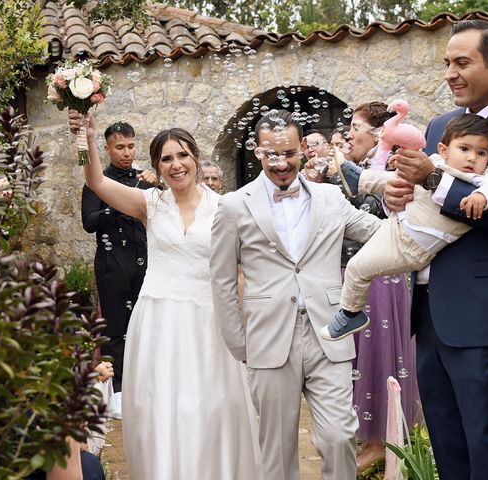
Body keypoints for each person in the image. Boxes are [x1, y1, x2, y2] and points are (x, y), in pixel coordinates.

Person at [69, 110, 261, 479]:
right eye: (166, 158)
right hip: (160, 322)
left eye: (183, 155)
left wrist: (246, 328)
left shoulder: (226, 207)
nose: (176, 165)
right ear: (157, 166)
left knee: (213, 405)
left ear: (196, 158)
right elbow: (95, 181)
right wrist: (88, 137)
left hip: (210, 322)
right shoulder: (150, 204)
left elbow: (239, 273)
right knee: (165, 408)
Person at [385, 19, 488, 479]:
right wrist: (396, 194)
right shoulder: (439, 125)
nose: (450, 72)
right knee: (448, 448)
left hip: (486, 318)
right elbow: (426, 203)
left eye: (462, 62)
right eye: (447, 63)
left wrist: (430, 176)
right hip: (430, 313)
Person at [209, 110, 382, 480]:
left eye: (289, 152)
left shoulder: (331, 198)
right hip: (267, 338)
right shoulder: (234, 205)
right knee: (276, 450)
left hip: (329, 332)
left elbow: (378, 233)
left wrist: (429, 221)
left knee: (339, 435)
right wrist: (239, 343)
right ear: (257, 152)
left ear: (301, 150)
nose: (282, 162)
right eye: (272, 154)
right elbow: (221, 280)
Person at [322, 113, 488, 340]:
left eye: (480, 153)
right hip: (399, 222)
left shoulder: (481, 179)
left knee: (357, 267)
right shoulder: (435, 162)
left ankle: (351, 313)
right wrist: (400, 164)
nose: (472, 158)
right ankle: (359, 180)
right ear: (444, 150)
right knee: (394, 180)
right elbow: (406, 179)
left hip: (411, 245)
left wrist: (482, 196)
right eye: (464, 149)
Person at [307, 102, 419, 472]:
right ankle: (364, 435)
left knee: (377, 356)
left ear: (378, 134)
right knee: (354, 357)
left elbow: (371, 212)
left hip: (378, 274)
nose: (350, 133)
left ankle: (378, 441)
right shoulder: (358, 166)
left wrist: (338, 171)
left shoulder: (388, 165)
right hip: (350, 270)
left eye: (356, 127)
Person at [81, 121, 158, 392]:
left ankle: (146, 385)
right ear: (107, 148)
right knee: (114, 330)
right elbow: (89, 221)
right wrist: (117, 204)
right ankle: (117, 390)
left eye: (131, 146)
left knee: (147, 327)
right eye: (120, 147)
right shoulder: (97, 183)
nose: (127, 152)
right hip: (112, 266)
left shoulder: (145, 180)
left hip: (145, 264)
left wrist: (157, 186)